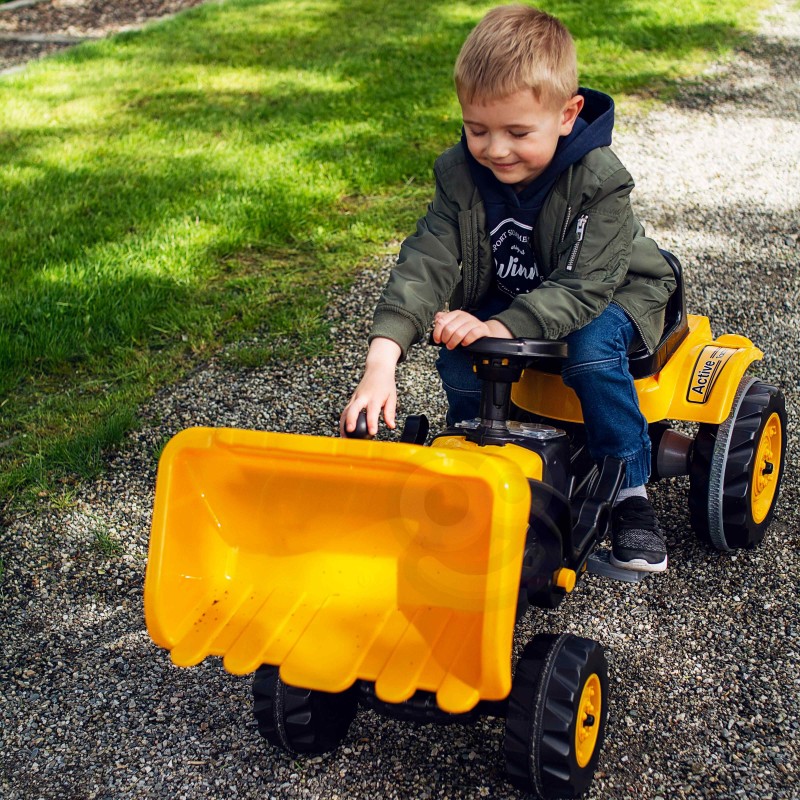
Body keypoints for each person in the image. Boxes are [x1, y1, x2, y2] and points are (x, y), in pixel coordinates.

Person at [339, 4, 675, 573]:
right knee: (459, 351)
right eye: (477, 130)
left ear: (567, 115)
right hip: (521, 294)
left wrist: (500, 325)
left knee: (590, 353)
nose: (495, 149)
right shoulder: (462, 176)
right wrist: (382, 358)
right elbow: (427, 260)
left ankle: (628, 489)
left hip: (611, 293)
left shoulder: (599, 181)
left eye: (518, 132)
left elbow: (583, 287)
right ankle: (482, 448)